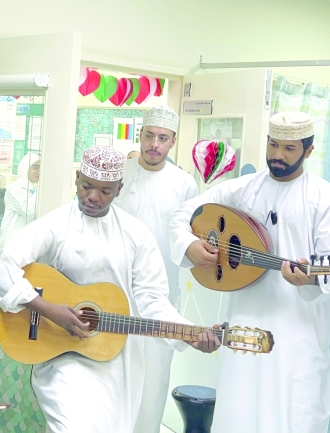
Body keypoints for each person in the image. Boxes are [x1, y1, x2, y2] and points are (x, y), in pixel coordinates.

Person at [0, 146, 221, 432]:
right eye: (87, 186)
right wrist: (45, 308)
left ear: (119, 189)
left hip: (118, 360)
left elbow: (152, 299)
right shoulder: (55, 225)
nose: (93, 197)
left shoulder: (136, 235)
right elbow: (0, 269)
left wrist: (191, 335)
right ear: (77, 178)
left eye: (105, 191)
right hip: (62, 355)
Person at [170, 111, 330, 433]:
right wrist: (189, 245)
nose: (277, 156)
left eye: (289, 148)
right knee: (238, 416)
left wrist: (311, 278)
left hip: (298, 336)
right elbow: (185, 214)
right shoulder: (243, 189)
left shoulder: (327, 199)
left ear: (309, 151)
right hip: (244, 327)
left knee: (292, 418)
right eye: (273, 145)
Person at [113, 106, 197, 433]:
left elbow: (187, 237)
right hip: (114, 293)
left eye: (162, 138)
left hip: (161, 296)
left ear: (172, 142)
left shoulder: (184, 184)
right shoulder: (119, 172)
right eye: (149, 136)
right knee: (114, 379)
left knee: (153, 381)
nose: (154, 144)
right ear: (140, 135)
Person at [0, 153, 40, 249]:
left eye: (41, 168)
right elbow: (28, 210)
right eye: (35, 167)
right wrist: (41, 189)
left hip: (31, 242)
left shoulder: (38, 188)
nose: (38, 171)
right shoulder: (13, 188)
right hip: (12, 241)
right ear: (25, 167)